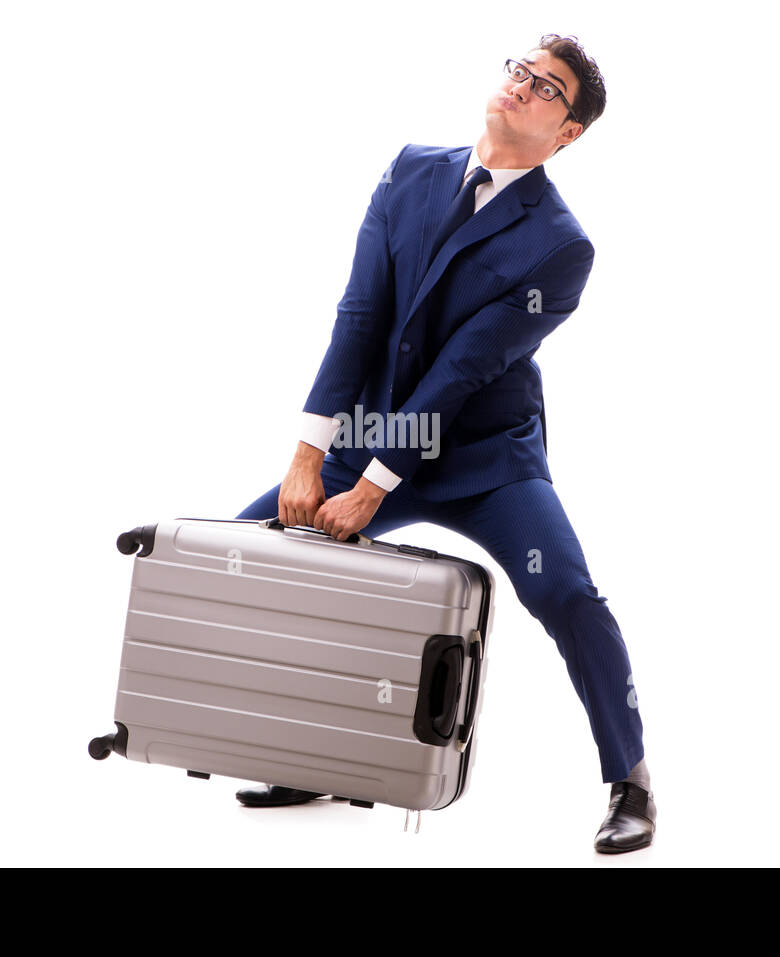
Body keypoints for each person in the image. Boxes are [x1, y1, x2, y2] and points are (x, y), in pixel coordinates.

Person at [232, 34, 655, 854]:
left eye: (547, 89)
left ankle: (631, 778)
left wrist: (375, 487)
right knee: (252, 553)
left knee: (564, 590)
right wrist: (309, 457)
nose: (522, 87)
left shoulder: (562, 247)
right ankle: (308, 757)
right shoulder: (408, 169)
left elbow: (462, 371)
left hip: (484, 461)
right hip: (370, 436)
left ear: (568, 134)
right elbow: (358, 319)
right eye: (521, 70)